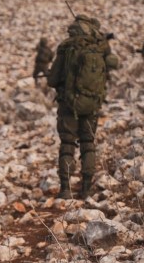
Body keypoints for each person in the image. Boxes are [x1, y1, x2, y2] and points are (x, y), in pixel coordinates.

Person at [47, 15, 119, 200]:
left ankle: (65, 189)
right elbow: (112, 66)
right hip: (92, 104)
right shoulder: (98, 47)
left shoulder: (67, 47)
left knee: (67, 144)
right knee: (88, 145)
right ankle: (86, 188)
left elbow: (52, 79)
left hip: (68, 105)